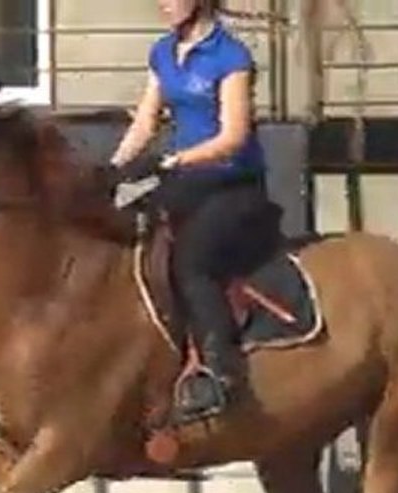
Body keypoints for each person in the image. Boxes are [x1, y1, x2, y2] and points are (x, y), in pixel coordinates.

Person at [110, 0, 274, 423]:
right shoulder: (162, 52)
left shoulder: (231, 57)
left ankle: (222, 373)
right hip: (186, 180)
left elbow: (233, 136)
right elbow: (145, 123)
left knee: (191, 263)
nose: (162, 5)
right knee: (135, 242)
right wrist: (113, 170)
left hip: (233, 185)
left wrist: (175, 161)